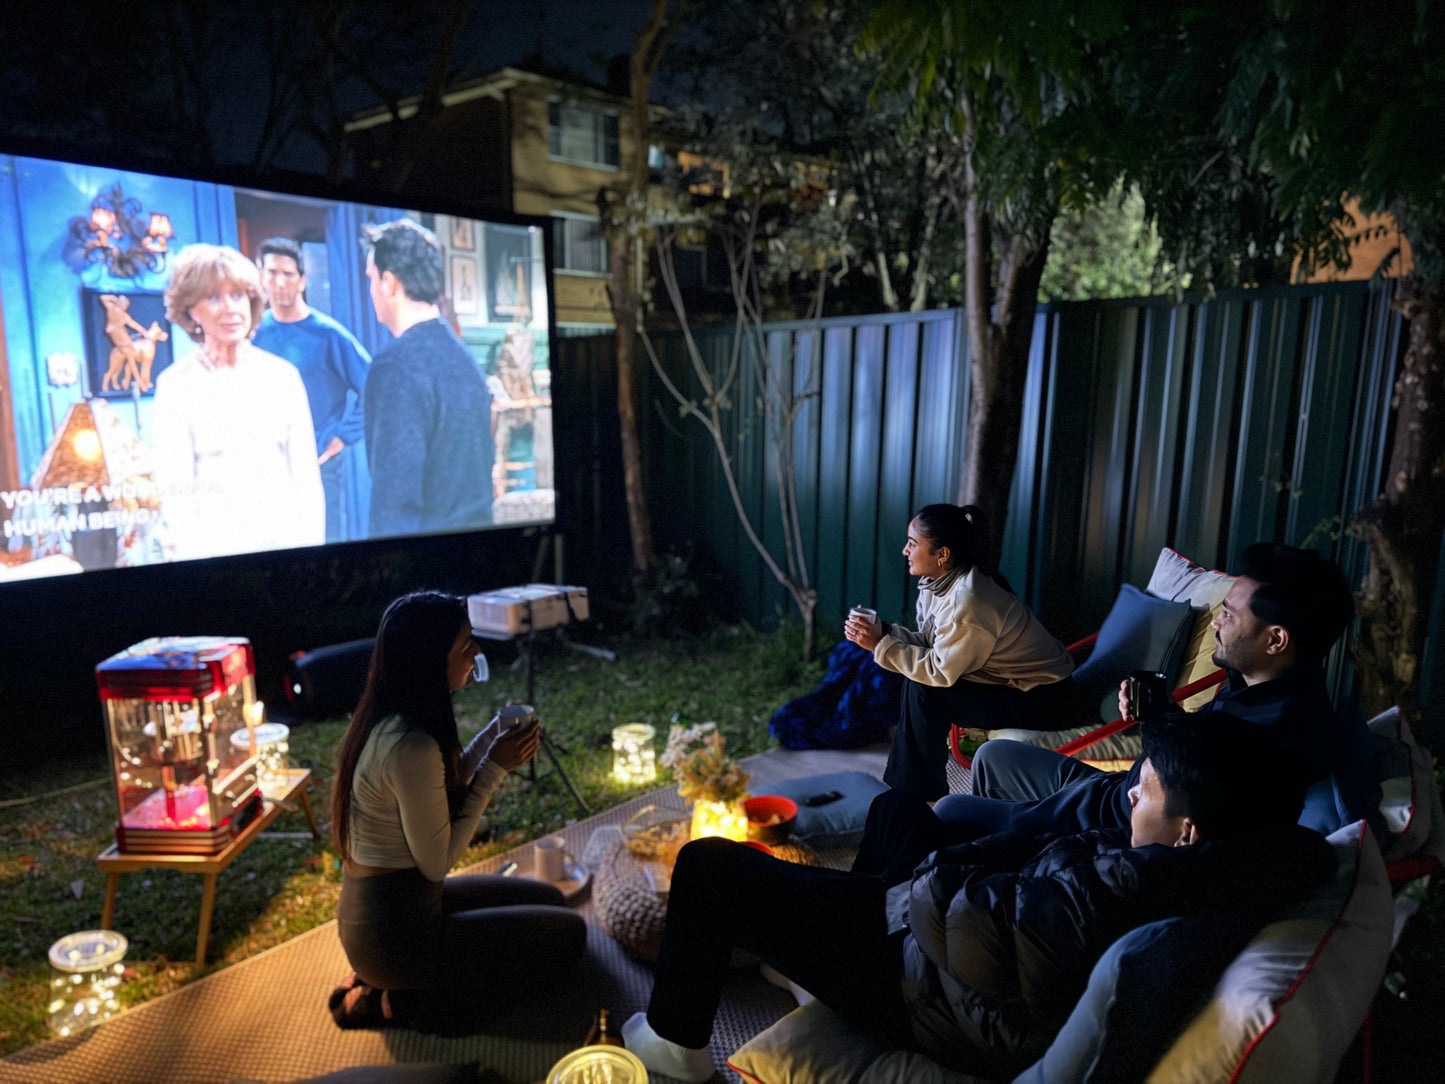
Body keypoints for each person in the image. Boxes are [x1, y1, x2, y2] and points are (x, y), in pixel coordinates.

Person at [621, 714, 1336, 1082]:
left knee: (709, 866)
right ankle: (813, 929)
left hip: (930, 990)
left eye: (1143, 790)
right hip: (949, 942)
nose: (1127, 792)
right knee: (897, 810)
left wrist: (964, 861)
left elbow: (962, 918)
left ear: (1187, 831)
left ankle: (678, 1043)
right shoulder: (1217, 864)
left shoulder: (1111, 896)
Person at [899, 542, 1382, 857]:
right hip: (1108, 791)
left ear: (1276, 640)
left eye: (1230, 616)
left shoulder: (1279, 729)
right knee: (992, 755)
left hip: (1105, 819)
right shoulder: (1256, 691)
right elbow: (1192, 757)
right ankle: (982, 862)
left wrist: (1158, 723)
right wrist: (1162, 715)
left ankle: (993, 855)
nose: (1216, 621)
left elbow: (1181, 804)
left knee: (946, 812)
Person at [328, 591, 586, 1029]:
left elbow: (434, 788)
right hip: (396, 936)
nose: (477, 652)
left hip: (407, 908)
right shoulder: (410, 743)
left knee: (551, 899)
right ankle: (395, 1001)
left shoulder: (393, 715)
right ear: (430, 660)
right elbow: (438, 861)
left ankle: (395, 984)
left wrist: (488, 739)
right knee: (568, 938)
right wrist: (495, 767)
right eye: (466, 646)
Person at [845, 504, 1076, 800]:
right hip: (1013, 688)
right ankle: (909, 789)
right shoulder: (938, 585)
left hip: (1045, 700)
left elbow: (939, 671)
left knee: (923, 687)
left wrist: (880, 645)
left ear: (942, 555)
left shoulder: (969, 602)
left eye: (913, 544)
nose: (905, 551)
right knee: (916, 680)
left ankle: (915, 796)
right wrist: (885, 633)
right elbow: (933, 645)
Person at [153, 243, 324, 560]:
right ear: (191, 310)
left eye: (238, 295)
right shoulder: (175, 387)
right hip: (212, 558)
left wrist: (310, 558)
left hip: (285, 555)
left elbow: (307, 484)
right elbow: (175, 496)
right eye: (214, 297)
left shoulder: (282, 377)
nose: (230, 308)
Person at [361, 219, 494, 538]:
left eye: (371, 279)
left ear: (389, 282)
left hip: (425, 566)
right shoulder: (464, 357)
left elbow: (395, 502)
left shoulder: (395, 364)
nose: (371, 290)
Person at [251, 237, 372, 543]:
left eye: (288, 274)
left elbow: (373, 386)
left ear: (302, 280)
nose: (279, 282)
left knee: (325, 548)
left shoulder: (328, 334)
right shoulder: (253, 333)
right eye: (272, 272)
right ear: (260, 276)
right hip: (266, 465)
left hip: (319, 463)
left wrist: (341, 438)